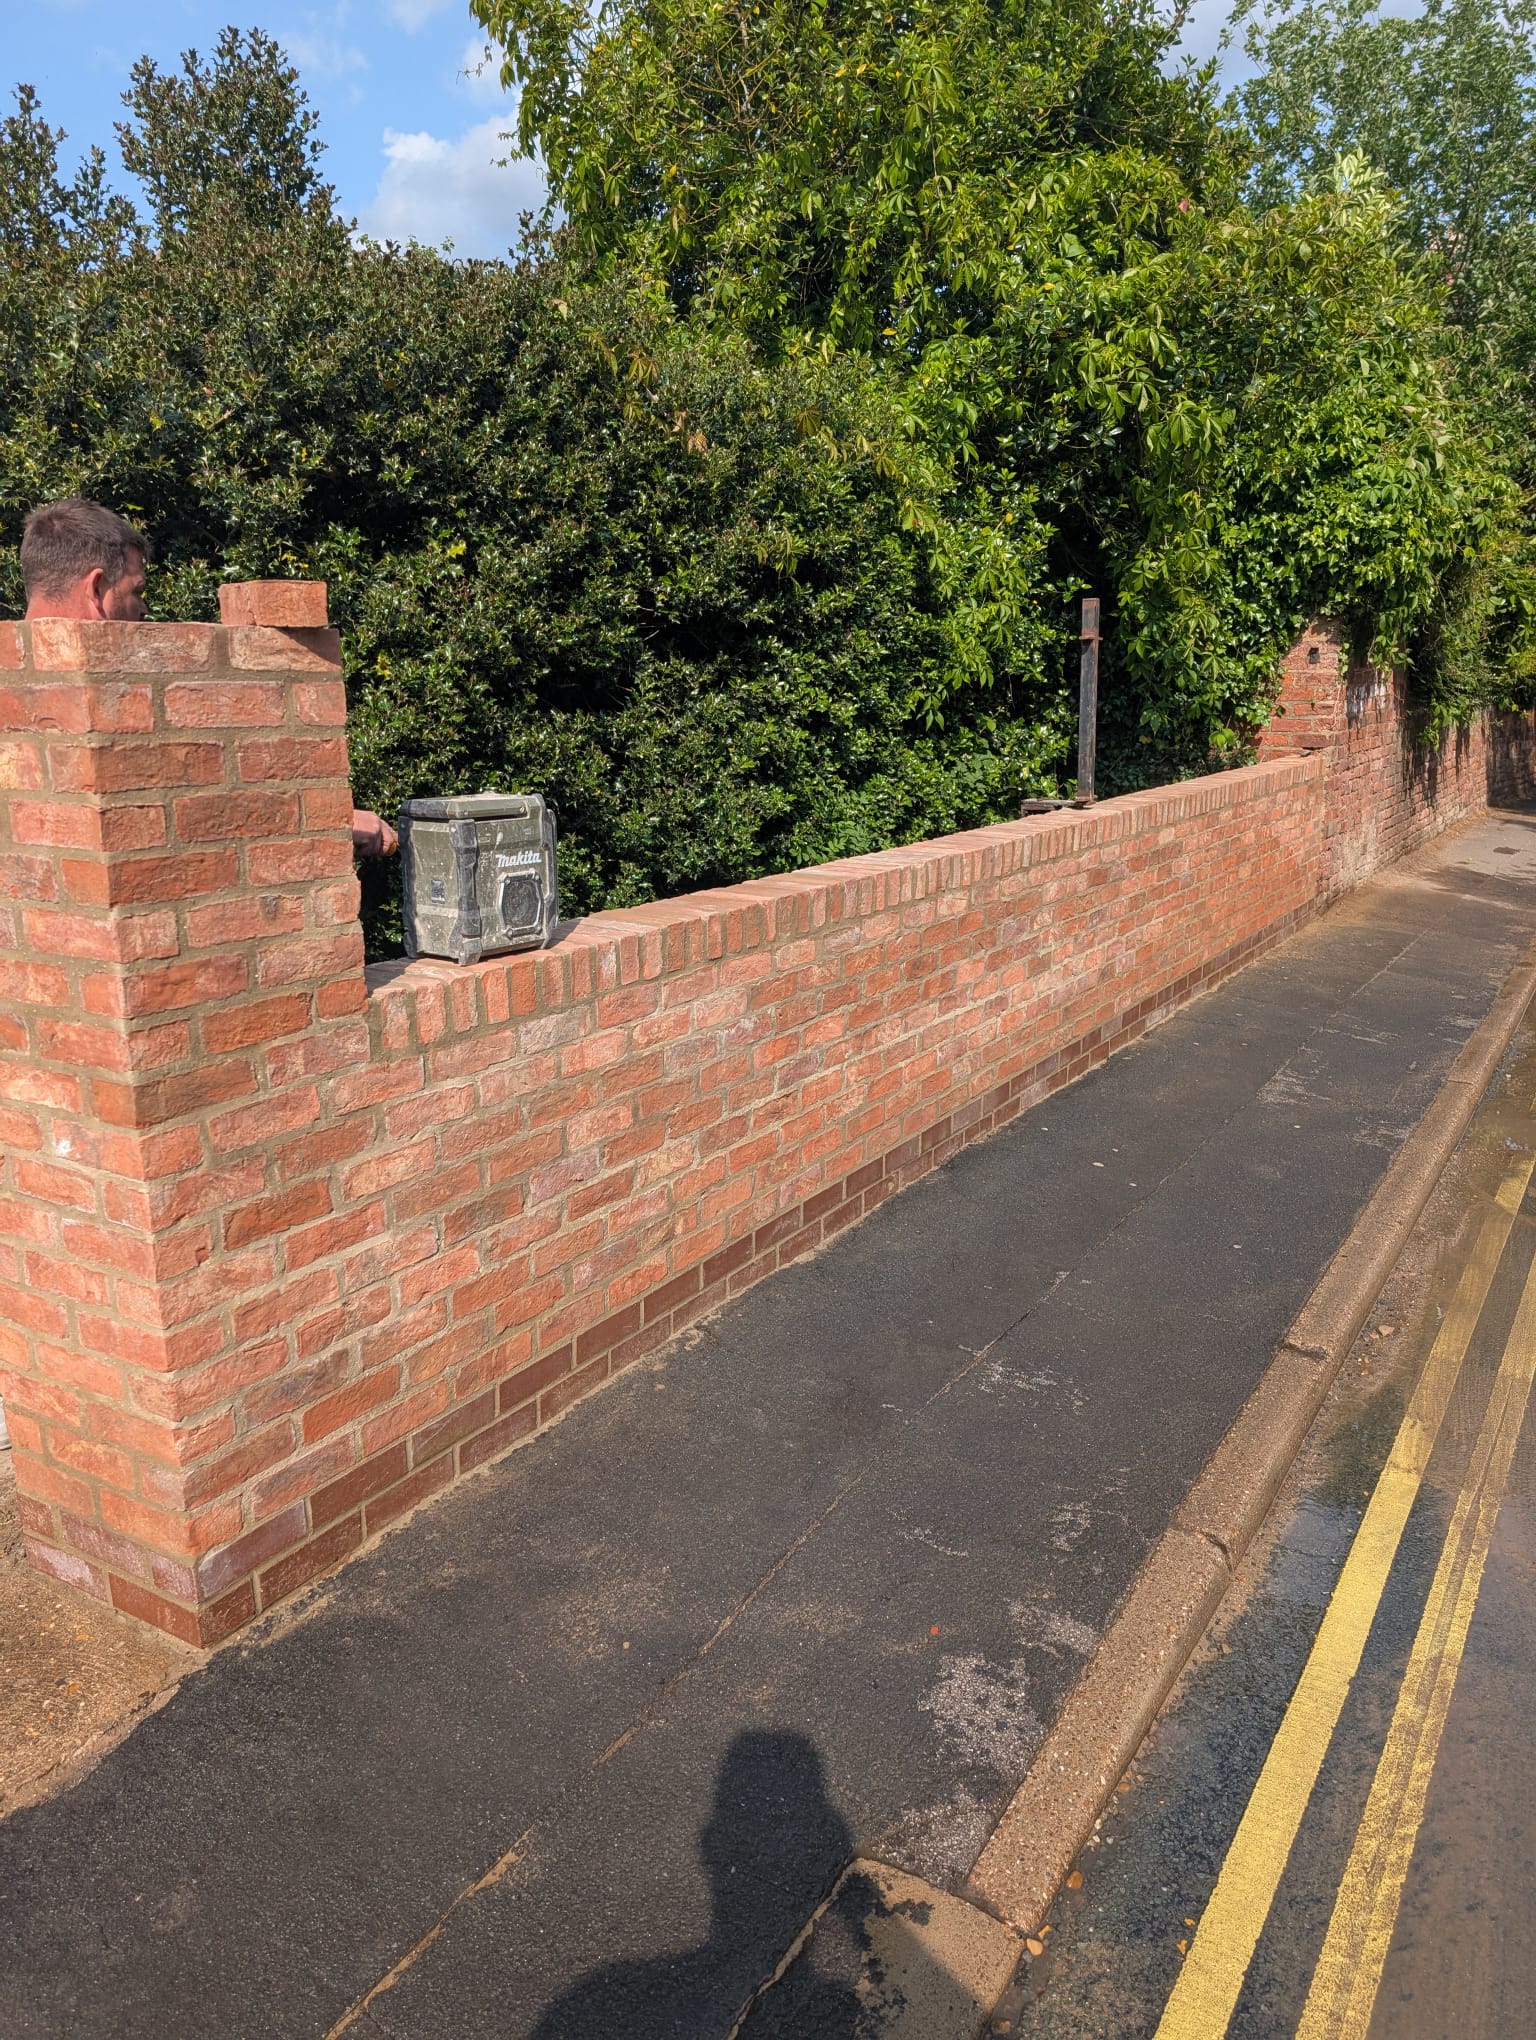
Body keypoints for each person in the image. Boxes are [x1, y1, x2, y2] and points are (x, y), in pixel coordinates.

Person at [19, 498, 396, 856]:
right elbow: (174, 821)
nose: (143, 608)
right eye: (136, 590)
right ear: (97, 589)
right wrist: (328, 822)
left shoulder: (25, 695)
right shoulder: (94, 709)